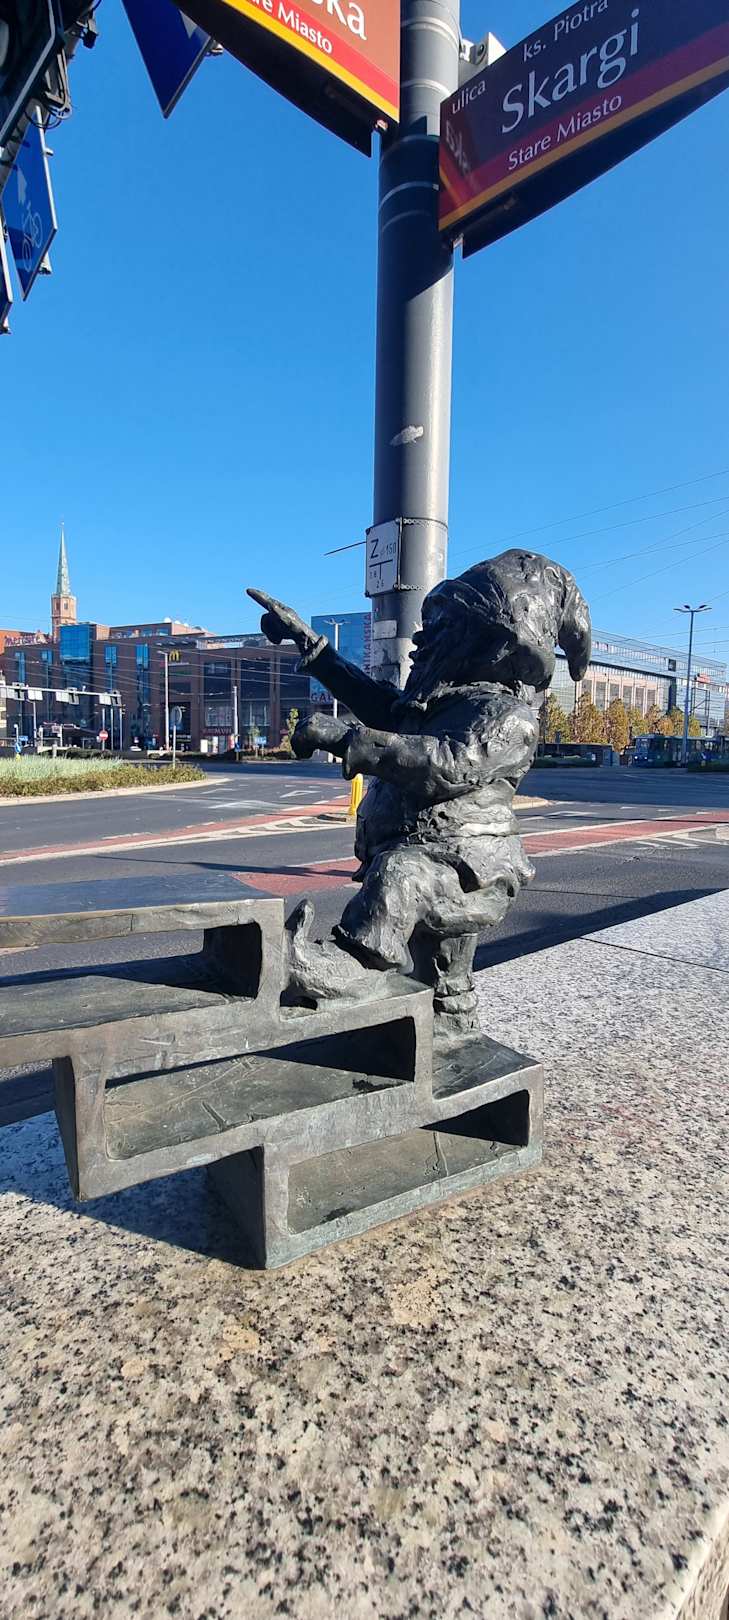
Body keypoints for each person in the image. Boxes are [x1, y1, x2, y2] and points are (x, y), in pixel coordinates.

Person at [248, 549, 591, 1039]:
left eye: (443, 627)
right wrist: (311, 645)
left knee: (401, 878)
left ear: (494, 644)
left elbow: (447, 764)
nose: (422, 640)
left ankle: (346, 966)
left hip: (468, 871)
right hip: (433, 855)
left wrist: (347, 739)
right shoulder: (441, 702)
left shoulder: (509, 718)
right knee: (444, 983)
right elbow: (377, 702)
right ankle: (445, 1026)